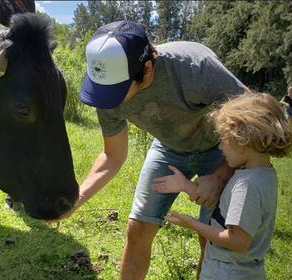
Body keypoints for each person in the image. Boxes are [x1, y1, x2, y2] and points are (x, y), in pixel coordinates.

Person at [53, 21, 247, 279]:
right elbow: (113, 155)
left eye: (117, 91)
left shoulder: (195, 69)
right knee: (137, 229)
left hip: (220, 149)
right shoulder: (106, 91)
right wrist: (73, 201)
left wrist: (221, 175)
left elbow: (253, 120)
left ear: (147, 69)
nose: (109, 101)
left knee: (210, 238)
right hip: (168, 149)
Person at [154, 92, 292, 279]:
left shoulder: (247, 185)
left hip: (227, 272)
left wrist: (193, 224)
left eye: (224, 140)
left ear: (243, 139)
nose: (220, 147)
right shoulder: (262, 174)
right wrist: (186, 185)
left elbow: (237, 241)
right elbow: (229, 212)